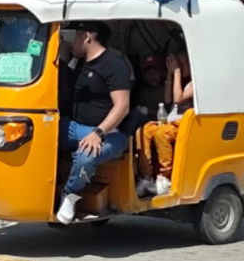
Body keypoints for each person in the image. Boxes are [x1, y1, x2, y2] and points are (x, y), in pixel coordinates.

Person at [56, 21, 134, 224]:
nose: (70, 42)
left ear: (87, 36)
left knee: (86, 156)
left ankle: (70, 195)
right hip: (74, 127)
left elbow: (122, 106)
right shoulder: (77, 63)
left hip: (111, 132)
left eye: (73, 36)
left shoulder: (114, 64)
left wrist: (98, 133)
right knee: (39, 135)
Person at [136, 49, 195, 199]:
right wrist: (170, 74)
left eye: (182, 64)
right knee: (144, 130)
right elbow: (167, 100)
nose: (179, 67)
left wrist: (176, 72)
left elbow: (177, 98)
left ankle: (164, 177)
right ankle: (146, 177)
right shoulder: (176, 80)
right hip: (171, 121)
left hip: (183, 124)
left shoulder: (194, 82)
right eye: (176, 64)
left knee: (161, 133)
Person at [133, 55, 166, 119]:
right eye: (148, 73)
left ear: (163, 73)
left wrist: (148, 110)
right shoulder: (144, 92)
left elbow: (167, 113)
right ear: (144, 76)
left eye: (155, 72)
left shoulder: (166, 90)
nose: (152, 76)